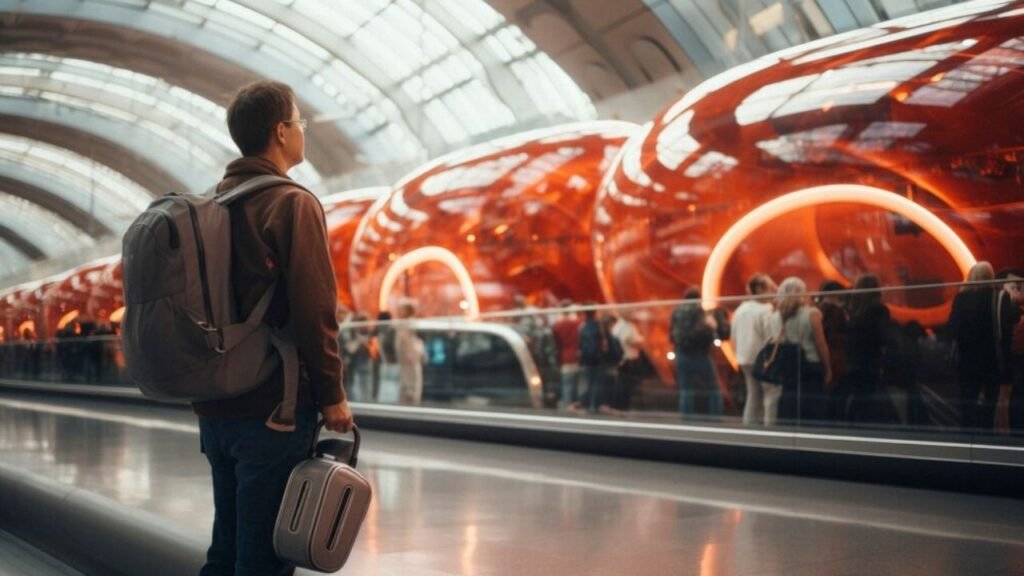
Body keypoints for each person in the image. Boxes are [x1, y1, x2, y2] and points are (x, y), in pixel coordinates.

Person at [193, 81, 353, 576]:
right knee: (262, 560)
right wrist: (332, 395)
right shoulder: (291, 203)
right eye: (300, 122)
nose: (303, 132)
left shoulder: (209, 206)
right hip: (274, 409)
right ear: (281, 132)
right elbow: (315, 309)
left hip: (215, 408)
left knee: (225, 552)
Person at [947, 262, 1000, 431]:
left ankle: (967, 439)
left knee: (967, 404)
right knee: (990, 404)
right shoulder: (996, 297)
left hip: (967, 359)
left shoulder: (962, 298)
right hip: (992, 358)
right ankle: (988, 438)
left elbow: (952, 329)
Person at [771, 278, 831, 424]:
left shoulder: (775, 316)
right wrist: (829, 368)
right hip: (811, 366)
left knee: (790, 406)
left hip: (788, 367)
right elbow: (820, 343)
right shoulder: (812, 313)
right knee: (812, 409)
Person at [731, 274, 777, 426]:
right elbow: (770, 335)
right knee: (770, 394)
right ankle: (770, 427)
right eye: (770, 288)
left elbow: (734, 335)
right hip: (762, 358)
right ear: (760, 289)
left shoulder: (740, 309)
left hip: (744, 357)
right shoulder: (766, 310)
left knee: (753, 394)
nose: (773, 291)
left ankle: (749, 427)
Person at [669, 288, 722, 419]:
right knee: (713, 388)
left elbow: (671, 335)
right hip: (700, 354)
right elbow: (709, 332)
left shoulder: (676, 312)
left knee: (686, 391)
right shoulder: (700, 312)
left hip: (681, 354)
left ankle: (686, 420)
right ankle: (716, 419)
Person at [845, 274, 890, 425]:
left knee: (856, 393)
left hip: (852, 357)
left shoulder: (851, 310)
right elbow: (883, 335)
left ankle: (852, 423)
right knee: (869, 394)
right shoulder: (879, 310)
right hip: (871, 358)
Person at [816, 280, 850, 423]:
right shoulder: (835, 312)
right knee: (837, 397)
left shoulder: (817, 311)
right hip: (836, 358)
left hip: (822, 359)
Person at [552, 300, 583, 411]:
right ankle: (574, 403)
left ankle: (567, 404)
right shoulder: (576, 324)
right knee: (575, 382)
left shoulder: (557, 325)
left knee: (567, 383)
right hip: (577, 355)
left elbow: (556, 343)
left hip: (564, 357)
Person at [611, 312, 644, 412]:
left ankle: (625, 404)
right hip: (626, 357)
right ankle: (622, 405)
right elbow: (628, 340)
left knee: (627, 383)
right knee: (624, 383)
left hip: (629, 357)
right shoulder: (622, 326)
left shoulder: (626, 326)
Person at [395, 301, 425, 405]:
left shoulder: (411, 324)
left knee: (412, 387)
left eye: (402, 309)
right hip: (405, 359)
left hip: (411, 358)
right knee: (406, 385)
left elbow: (413, 342)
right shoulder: (402, 324)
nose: (399, 311)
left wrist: (413, 354)